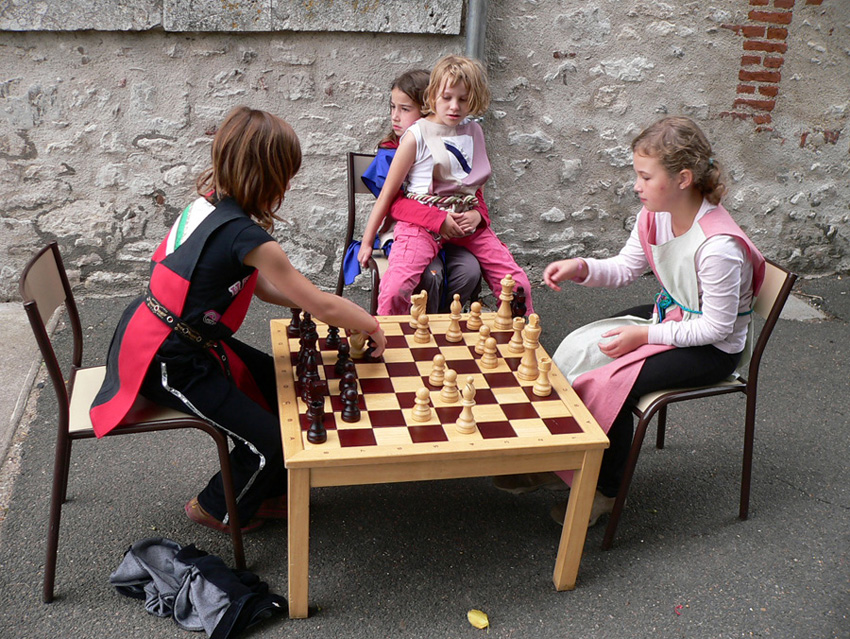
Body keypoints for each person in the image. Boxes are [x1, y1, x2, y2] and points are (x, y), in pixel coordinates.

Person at [90, 106, 387, 534]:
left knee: (281, 385)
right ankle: (216, 506)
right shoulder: (252, 240)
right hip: (167, 358)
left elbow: (259, 287)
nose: (288, 186)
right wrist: (370, 324)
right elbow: (322, 303)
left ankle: (264, 491)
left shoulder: (206, 207)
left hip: (174, 335)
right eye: (287, 176)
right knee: (272, 442)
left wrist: (303, 306)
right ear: (270, 177)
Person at [495, 116, 765, 527]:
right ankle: (564, 462)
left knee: (613, 383)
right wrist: (581, 267)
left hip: (713, 349)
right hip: (673, 317)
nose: (635, 185)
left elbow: (718, 328)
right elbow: (624, 268)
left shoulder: (719, 247)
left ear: (683, 179)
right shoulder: (654, 216)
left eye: (644, 176)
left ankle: (605, 490)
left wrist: (643, 335)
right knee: (581, 347)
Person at [356, 55, 534, 317]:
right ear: (433, 96)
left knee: (518, 285)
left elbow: (474, 189)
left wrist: (478, 216)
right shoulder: (415, 135)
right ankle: (389, 342)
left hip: (465, 222)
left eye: (463, 99)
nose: (454, 107)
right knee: (396, 290)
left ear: (473, 98)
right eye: (447, 97)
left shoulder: (474, 132)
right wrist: (367, 241)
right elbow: (388, 195)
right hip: (420, 225)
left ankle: (516, 341)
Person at [354, 69, 484, 315]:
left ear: (427, 110)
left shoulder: (454, 145)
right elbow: (394, 203)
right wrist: (368, 239)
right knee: (431, 276)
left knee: (470, 271)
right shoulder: (391, 154)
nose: (395, 116)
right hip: (407, 232)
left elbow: (472, 194)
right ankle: (415, 331)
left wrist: (474, 215)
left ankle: (442, 321)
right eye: (393, 107)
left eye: (405, 109)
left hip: (451, 232)